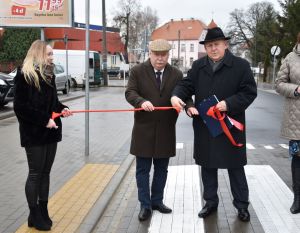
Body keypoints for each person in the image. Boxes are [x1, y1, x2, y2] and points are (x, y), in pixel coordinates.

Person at [171, 27, 257, 222]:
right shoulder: (198, 65)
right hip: (205, 127)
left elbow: (249, 93)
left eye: (216, 44)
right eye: (209, 45)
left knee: (235, 167)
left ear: (225, 45)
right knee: (208, 167)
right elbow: (187, 85)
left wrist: (229, 104)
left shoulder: (241, 66)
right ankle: (210, 203)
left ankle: (242, 206)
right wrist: (176, 95)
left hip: (230, 126)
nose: (213, 48)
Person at [14, 40, 72, 231]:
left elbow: (54, 103)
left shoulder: (49, 75)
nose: (51, 58)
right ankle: (34, 213)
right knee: (35, 173)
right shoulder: (25, 75)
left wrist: (63, 109)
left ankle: (43, 211)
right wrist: (44, 120)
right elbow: (20, 108)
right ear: (38, 54)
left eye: (52, 54)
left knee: (45, 173)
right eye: (49, 54)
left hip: (51, 132)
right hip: (34, 134)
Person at [125, 39, 183, 221]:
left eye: (163, 55)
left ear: (168, 55)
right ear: (149, 53)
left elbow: (184, 94)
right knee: (142, 170)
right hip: (144, 130)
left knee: (161, 169)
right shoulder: (137, 71)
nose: (160, 58)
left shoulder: (176, 74)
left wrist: (188, 106)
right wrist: (141, 101)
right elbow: (130, 93)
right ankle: (145, 205)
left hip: (166, 129)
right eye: (156, 54)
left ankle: (157, 201)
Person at [275, 32, 300, 214]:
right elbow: (279, 83)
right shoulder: (291, 58)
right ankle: (298, 198)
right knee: (298, 159)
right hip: (296, 119)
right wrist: (297, 89)